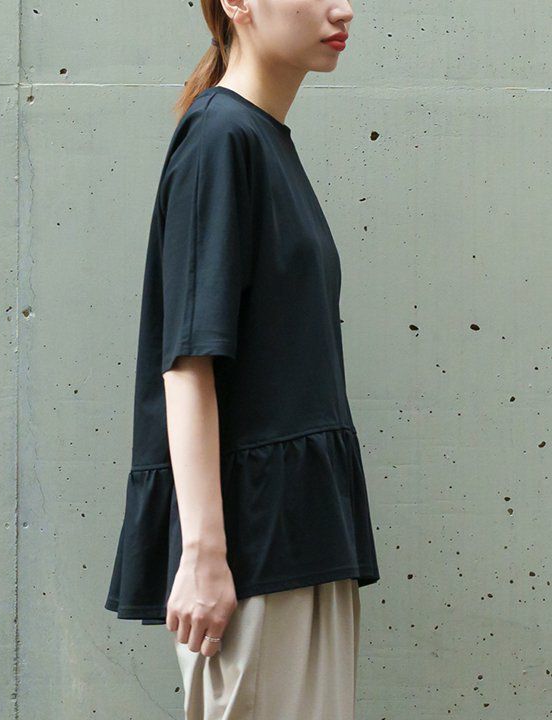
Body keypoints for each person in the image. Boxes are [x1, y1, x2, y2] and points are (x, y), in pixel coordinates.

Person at [104, 0, 380, 716]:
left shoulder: (260, 139)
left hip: (300, 533)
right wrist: (203, 555)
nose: (344, 8)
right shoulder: (220, 139)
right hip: (252, 550)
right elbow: (187, 361)